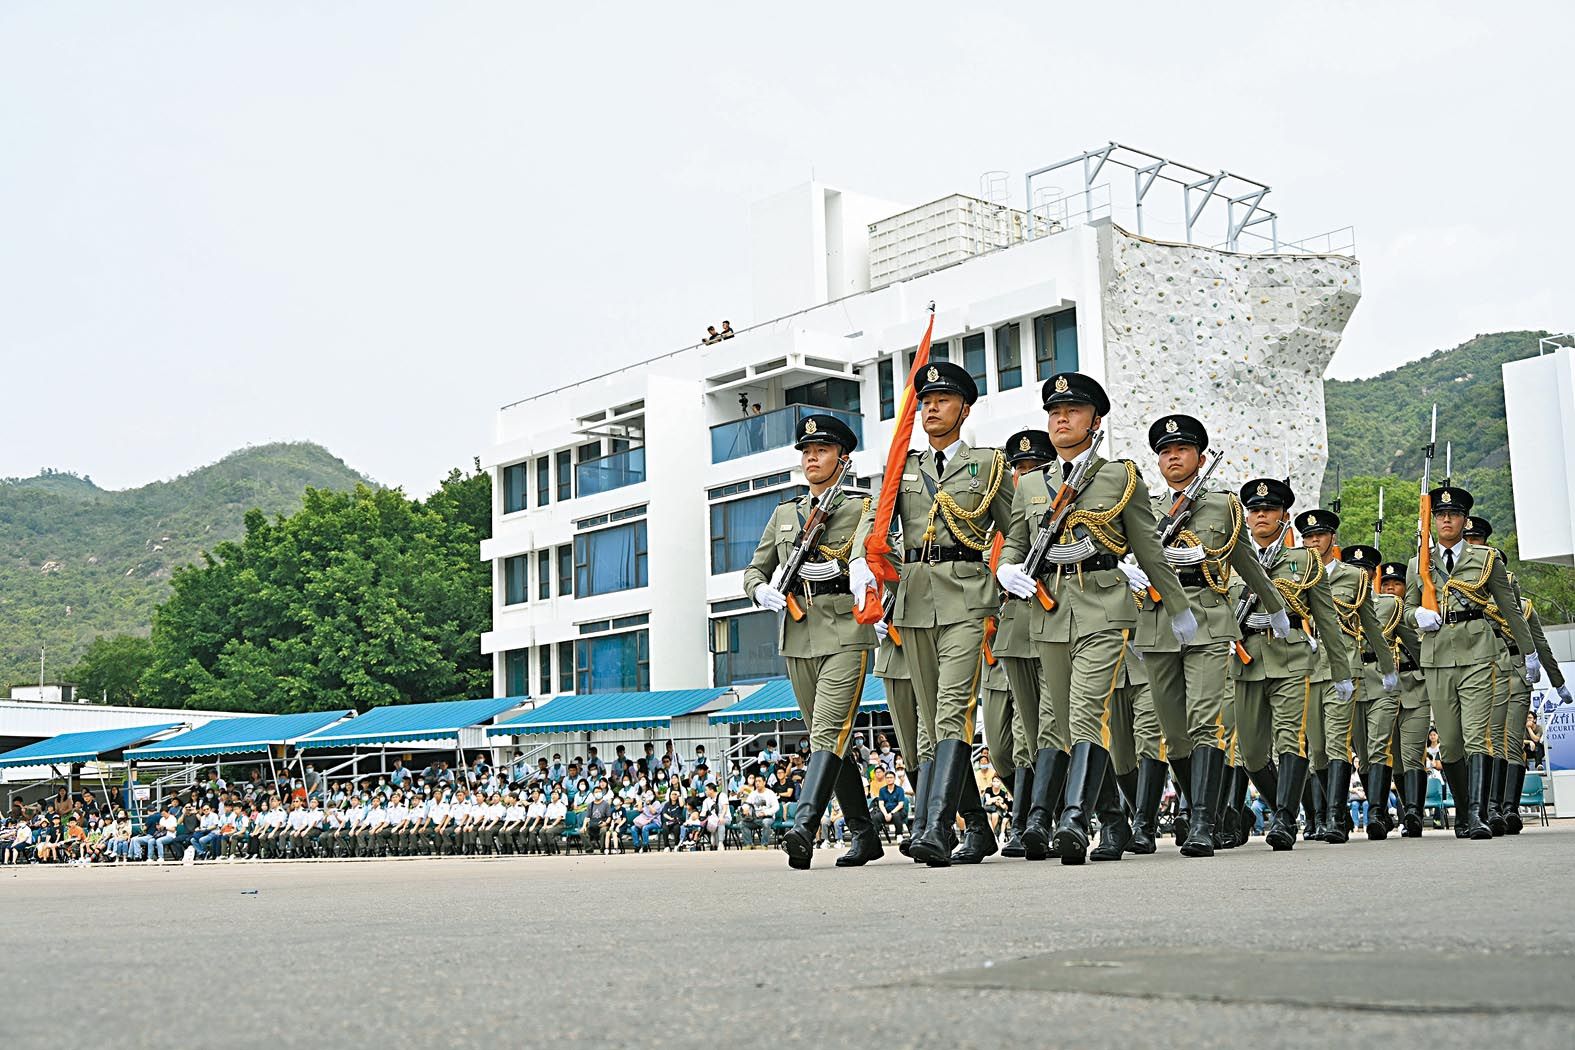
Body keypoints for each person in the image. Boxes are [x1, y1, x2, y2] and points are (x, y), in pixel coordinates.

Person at [997, 372, 1196, 864]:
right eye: (1054, 412)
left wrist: (1178, 607)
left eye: (1073, 411)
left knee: (1086, 711)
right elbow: (1018, 545)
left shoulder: (1119, 477)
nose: (1061, 419)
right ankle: (1110, 819)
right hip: (1048, 609)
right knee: (1054, 722)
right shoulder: (1031, 485)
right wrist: (1005, 569)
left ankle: (1064, 818)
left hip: (1104, 605)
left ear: (1096, 420)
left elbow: (1149, 550)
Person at [853, 359, 1016, 867]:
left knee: (951, 711)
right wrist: (861, 558)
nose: (930, 409)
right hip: (914, 598)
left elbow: (1018, 528)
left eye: (941, 401)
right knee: (930, 718)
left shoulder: (988, 466)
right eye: (924, 402)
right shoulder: (903, 464)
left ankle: (938, 828)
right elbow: (875, 520)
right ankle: (979, 831)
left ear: (964, 409)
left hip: (967, 595)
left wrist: (1008, 569)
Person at [1134, 414, 1290, 858]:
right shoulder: (1144, 505)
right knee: (1172, 730)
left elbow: (1245, 560)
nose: (1172, 458)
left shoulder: (1222, 506)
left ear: (1199, 458)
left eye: (1181, 450)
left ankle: (1202, 821)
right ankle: (1213, 808)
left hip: (1205, 616)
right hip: (1158, 619)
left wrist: (1275, 607)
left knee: (1205, 720)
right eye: (1165, 453)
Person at [745, 413, 884, 871]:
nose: (810, 457)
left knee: (828, 730)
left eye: (821, 450)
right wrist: (758, 590)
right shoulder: (786, 514)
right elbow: (754, 569)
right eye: (806, 451)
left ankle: (804, 826)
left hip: (845, 630)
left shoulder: (863, 508)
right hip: (797, 633)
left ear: (842, 458)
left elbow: (877, 551)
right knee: (831, 738)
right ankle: (865, 835)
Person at [1226, 477, 1353, 851]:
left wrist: (1342, 672)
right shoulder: (1232, 559)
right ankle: (1292, 805)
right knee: (1249, 753)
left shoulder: (1304, 561)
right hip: (1246, 660)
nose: (1260, 515)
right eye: (1254, 510)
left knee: (1290, 740)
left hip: (1292, 657)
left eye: (1269, 509)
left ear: (1284, 515)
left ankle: (1283, 819)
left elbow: (1327, 619)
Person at [1405, 484, 1535, 839]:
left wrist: (1529, 651)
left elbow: (1509, 608)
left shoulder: (1486, 558)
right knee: (1449, 742)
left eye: (1454, 515)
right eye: (1441, 515)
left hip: (1479, 652)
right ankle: (1463, 809)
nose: (1447, 520)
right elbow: (1404, 608)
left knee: (1477, 737)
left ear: (1464, 520)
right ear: (1432, 521)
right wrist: (1417, 613)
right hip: (1436, 657)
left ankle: (1477, 814)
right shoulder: (1420, 563)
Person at [1464, 515, 1570, 833]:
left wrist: (1558, 681)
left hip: (1515, 674)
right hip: (1482, 672)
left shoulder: (1521, 607)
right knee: (1487, 741)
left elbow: (1540, 644)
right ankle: (1488, 807)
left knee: (1510, 741)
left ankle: (1505, 807)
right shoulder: (1465, 601)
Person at [1296, 516, 1397, 845]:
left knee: (1339, 742)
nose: (1314, 541)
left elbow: (1368, 620)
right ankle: (1323, 813)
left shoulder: (1352, 576)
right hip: (1307, 667)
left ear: (1332, 538)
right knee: (1318, 750)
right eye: (1308, 536)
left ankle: (1338, 817)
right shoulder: (1294, 571)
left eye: (1320, 535)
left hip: (1344, 667)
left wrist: (1386, 665)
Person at [986, 429, 1053, 860]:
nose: (1022, 475)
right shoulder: (995, 527)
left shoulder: (1052, 515)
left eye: (1032, 468)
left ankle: (1031, 819)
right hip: (1002, 634)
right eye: (1018, 468)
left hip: (1044, 623)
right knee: (999, 746)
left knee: (1037, 734)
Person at [1368, 559, 1428, 837]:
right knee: (1395, 760)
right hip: (1383, 688)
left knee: (1413, 755)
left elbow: (1422, 651)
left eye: (1397, 584)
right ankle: (1403, 811)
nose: (1391, 588)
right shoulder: (1374, 612)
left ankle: (1415, 812)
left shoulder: (1415, 614)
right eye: (1386, 584)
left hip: (1414, 687)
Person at [876, 770, 909, 841]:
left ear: (894, 779)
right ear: (885, 779)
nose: (889, 779)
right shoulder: (882, 790)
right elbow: (881, 804)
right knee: (876, 817)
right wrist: (885, 814)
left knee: (896, 815)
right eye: (887, 778)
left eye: (891, 777)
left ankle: (899, 834)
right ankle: (876, 836)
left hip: (898, 810)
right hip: (886, 810)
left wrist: (891, 813)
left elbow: (900, 805)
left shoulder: (900, 790)